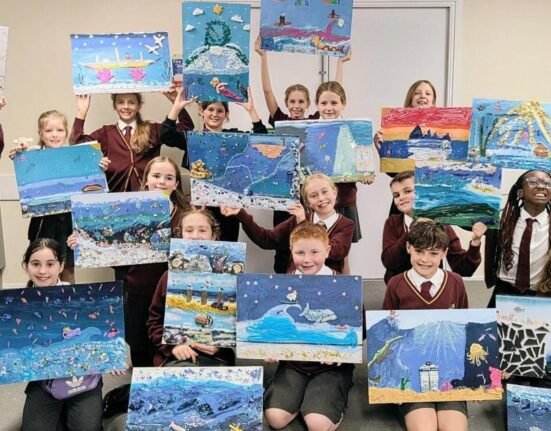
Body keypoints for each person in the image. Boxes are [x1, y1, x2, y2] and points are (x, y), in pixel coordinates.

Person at [264, 222, 354, 431]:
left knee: (317, 424)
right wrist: (267, 347)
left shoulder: (344, 285)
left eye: (315, 252)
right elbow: (272, 327)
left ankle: (328, 400)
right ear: (291, 251)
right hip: (293, 363)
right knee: (275, 419)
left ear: (328, 251)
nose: (307, 259)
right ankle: (298, 398)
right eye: (300, 252)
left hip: (331, 366)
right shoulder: (281, 284)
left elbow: (360, 328)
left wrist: (341, 354)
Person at [382, 219, 468, 431]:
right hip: (409, 373)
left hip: (449, 372)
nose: (425, 259)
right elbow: (386, 334)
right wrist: (392, 383)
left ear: (444, 253)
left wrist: (473, 380)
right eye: (419, 251)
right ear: (408, 248)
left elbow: (464, 329)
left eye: (433, 253)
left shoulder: (456, 282)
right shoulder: (396, 284)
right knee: (424, 428)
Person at [9, 110, 109, 284]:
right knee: (42, 266)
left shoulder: (78, 156)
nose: (54, 135)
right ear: (41, 134)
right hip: (43, 222)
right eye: (49, 131)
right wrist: (19, 155)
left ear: (66, 132)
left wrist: (98, 166)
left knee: (68, 268)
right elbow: (22, 163)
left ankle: (68, 300)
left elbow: (91, 185)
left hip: (69, 221)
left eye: (60, 130)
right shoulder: (32, 154)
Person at [160, 87, 268, 242]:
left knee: (227, 252)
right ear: (201, 112)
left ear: (226, 114)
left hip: (229, 209)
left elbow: (263, 140)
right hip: (201, 208)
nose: (215, 114)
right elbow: (166, 135)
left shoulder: (235, 139)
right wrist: (176, 107)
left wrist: (251, 111)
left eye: (220, 111)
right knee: (200, 250)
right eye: (210, 109)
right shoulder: (194, 139)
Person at [19, 239, 104, 431]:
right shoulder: (19, 303)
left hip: (83, 377)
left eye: (50, 264)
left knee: (87, 428)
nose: (43, 271)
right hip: (45, 380)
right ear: (26, 266)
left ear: (61, 266)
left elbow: (101, 332)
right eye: (35, 264)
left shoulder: (78, 297)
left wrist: (114, 358)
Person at [147, 207, 235, 367]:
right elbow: (154, 321)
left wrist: (221, 344)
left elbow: (237, 321)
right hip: (175, 357)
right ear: (180, 234)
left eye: (202, 230)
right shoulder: (168, 276)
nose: (195, 236)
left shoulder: (230, 278)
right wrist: (173, 346)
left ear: (213, 235)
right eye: (189, 230)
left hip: (217, 357)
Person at [221, 173, 354, 273]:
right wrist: (241, 213)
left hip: (328, 287)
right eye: (313, 195)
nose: (321, 198)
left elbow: (334, 252)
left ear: (335, 192)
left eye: (325, 192)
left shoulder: (346, 224)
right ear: (307, 202)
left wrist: (303, 224)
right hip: (294, 285)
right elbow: (266, 240)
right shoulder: (298, 219)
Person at [69, 91, 194, 193]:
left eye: (131, 102)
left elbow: (186, 129)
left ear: (139, 105)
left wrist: (175, 102)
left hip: (149, 198)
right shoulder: (105, 133)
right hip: (115, 200)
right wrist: (82, 112)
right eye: (120, 102)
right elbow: (76, 147)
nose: (126, 106)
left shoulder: (153, 130)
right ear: (114, 106)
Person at [381, 170, 486, 284]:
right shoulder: (392, 223)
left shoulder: (440, 224)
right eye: (396, 195)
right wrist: (413, 229)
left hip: (432, 287)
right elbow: (389, 262)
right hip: (399, 288)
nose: (401, 197)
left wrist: (475, 242)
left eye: (407, 191)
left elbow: (463, 270)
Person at [485, 170, 551, 307]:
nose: (541, 186)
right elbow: (465, 218)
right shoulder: (502, 221)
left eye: (547, 183)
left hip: (542, 293)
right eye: (533, 182)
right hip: (505, 291)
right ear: (520, 193)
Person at [254, 36, 351, 127]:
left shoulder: (315, 120)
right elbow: (267, 91)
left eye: (301, 101)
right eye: (292, 101)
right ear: (286, 103)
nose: (296, 106)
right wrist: (263, 56)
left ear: (308, 103)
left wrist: (340, 63)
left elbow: (335, 91)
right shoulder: (280, 120)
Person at [375, 79, 437, 215]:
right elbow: (394, 173)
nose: (423, 96)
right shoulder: (397, 129)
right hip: (404, 199)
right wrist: (382, 150)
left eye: (428, 93)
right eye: (417, 93)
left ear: (433, 102)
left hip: (431, 198)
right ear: (410, 100)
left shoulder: (441, 129)